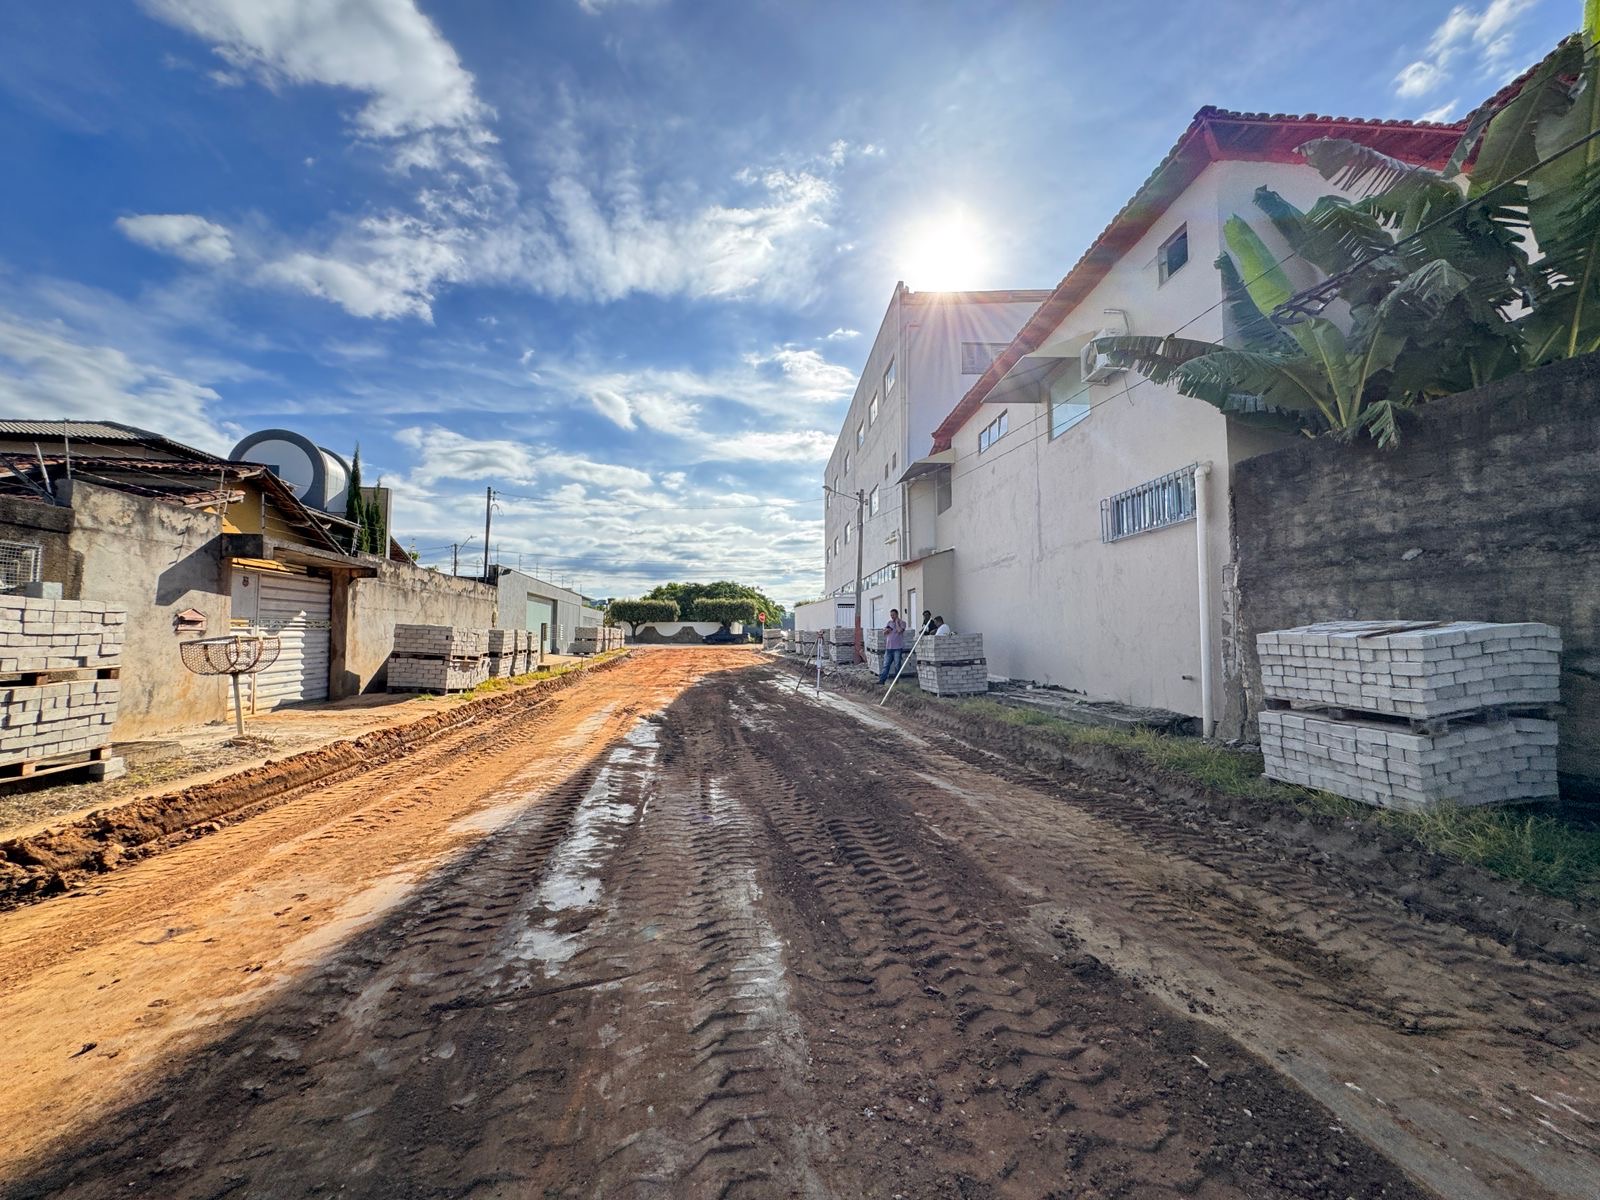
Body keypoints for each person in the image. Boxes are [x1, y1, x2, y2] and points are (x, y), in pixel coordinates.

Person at [878, 608, 907, 684]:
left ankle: (896, 681)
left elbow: (899, 631)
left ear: (897, 614)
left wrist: (897, 622)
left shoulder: (902, 623)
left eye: (893, 615)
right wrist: (886, 630)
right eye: (891, 615)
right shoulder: (889, 622)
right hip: (889, 648)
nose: (892, 616)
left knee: (897, 665)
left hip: (897, 648)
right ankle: (882, 680)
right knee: (886, 665)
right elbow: (884, 632)